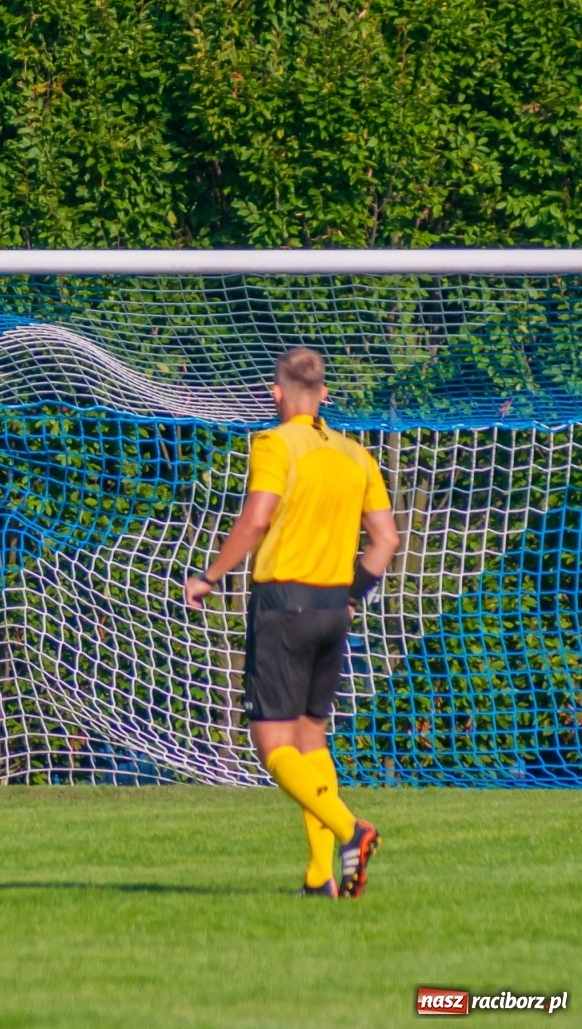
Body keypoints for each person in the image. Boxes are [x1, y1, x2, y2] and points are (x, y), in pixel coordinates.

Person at [185, 348, 399, 899]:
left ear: (276, 394)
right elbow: (386, 541)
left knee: (271, 743)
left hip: (284, 606)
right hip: (333, 612)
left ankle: (353, 828)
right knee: (311, 739)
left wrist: (209, 576)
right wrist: (354, 595)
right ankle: (319, 875)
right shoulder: (357, 455)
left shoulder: (275, 443)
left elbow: (257, 517)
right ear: (324, 394)